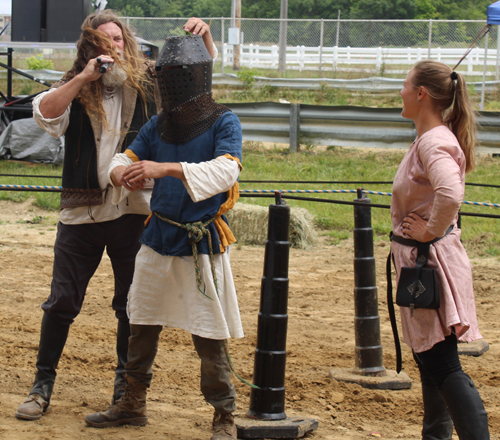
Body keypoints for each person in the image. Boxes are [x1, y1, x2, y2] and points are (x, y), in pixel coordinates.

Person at [15, 10, 217, 421]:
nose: (113, 47)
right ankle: (41, 386)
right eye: (103, 41)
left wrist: (205, 40)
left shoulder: (148, 83)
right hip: (82, 214)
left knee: (131, 306)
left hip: (135, 213)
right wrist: (82, 78)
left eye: (118, 39)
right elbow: (46, 115)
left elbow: (197, 86)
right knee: (62, 302)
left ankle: (127, 394)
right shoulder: (75, 85)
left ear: (128, 41)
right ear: (89, 48)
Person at [83, 34, 243, 440]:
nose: (169, 84)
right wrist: (123, 173)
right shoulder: (158, 124)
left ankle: (224, 415)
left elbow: (227, 171)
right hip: (158, 237)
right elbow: (123, 160)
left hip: (199, 242)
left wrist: (164, 169)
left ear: (193, 77)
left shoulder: (224, 120)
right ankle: (132, 403)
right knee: (141, 320)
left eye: (175, 76)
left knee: (208, 331)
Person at [391, 60, 489, 439]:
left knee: (441, 364)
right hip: (426, 262)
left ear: (421, 94)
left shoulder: (434, 141)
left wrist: (429, 231)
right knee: (430, 360)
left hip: (428, 263)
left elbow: (450, 192)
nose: (399, 92)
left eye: (404, 85)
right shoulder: (432, 138)